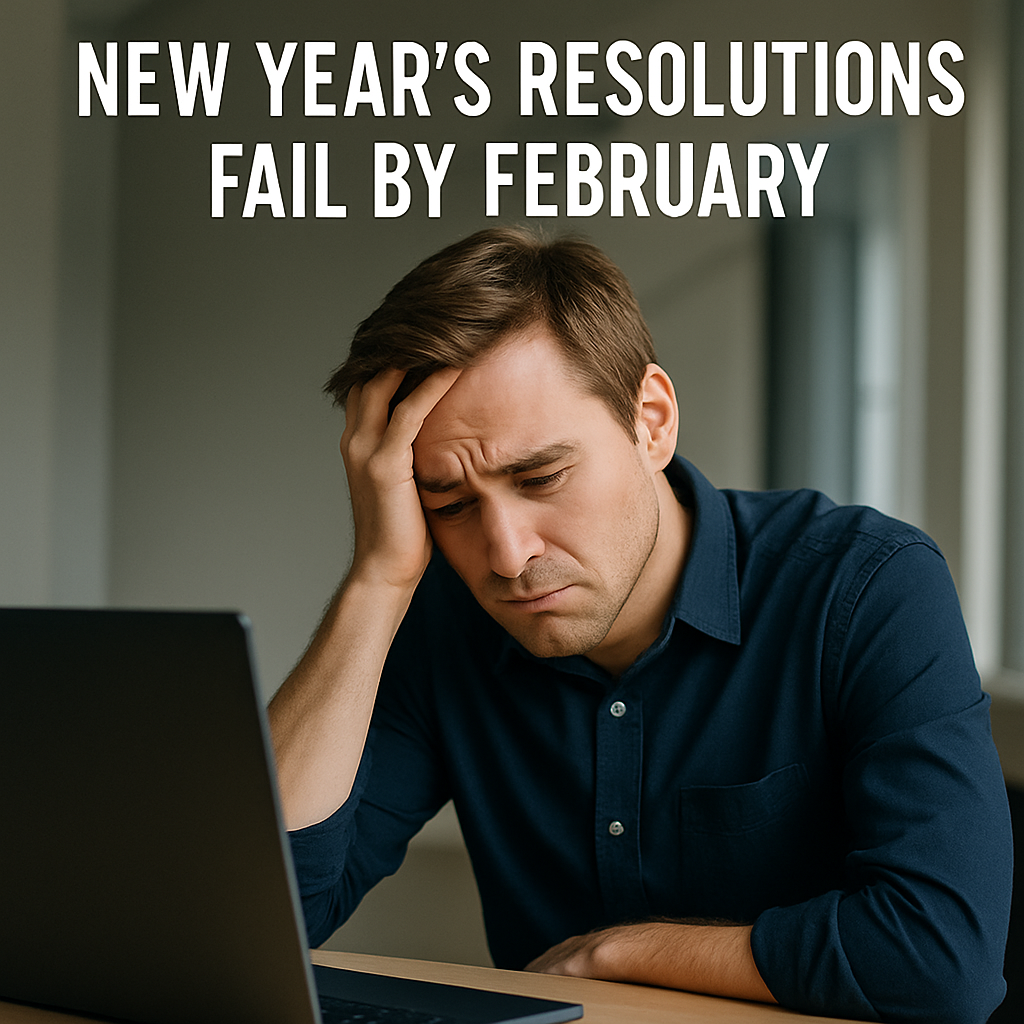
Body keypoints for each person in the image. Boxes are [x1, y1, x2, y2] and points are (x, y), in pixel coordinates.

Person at [267, 227, 1012, 1023]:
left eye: (541, 475)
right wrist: (377, 580)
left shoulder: (865, 584)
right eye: (448, 503)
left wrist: (615, 952)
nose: (508, 555)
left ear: (650, 421)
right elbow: (267, 914)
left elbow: (943, 961)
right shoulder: (449, 615)